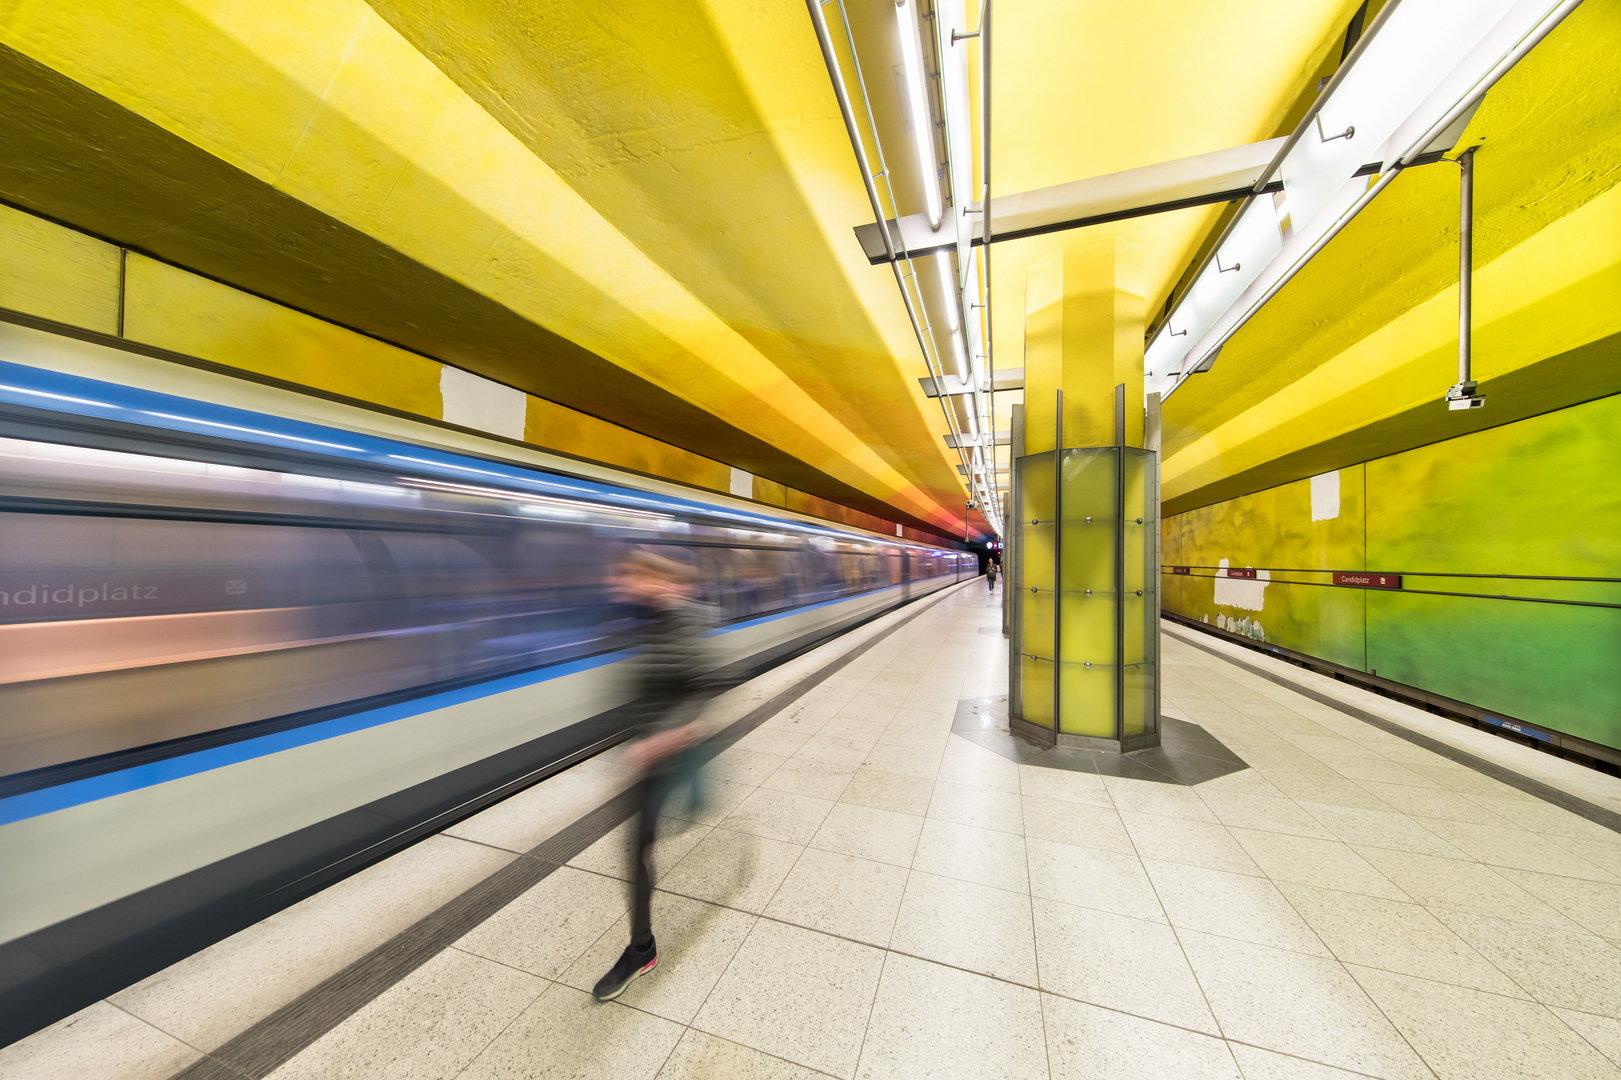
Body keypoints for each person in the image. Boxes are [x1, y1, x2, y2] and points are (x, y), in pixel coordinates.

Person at [593, 549, 718, 1003]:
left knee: (637, 848)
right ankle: (642, 945)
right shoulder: (646, 618)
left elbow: (702, 692)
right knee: (638, 846)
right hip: (649, 751)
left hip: (662, 755)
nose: (618, 586)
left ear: (653, 578)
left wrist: (653, 743)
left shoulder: (681, 621)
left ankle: (642, 949)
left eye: (627, 577)